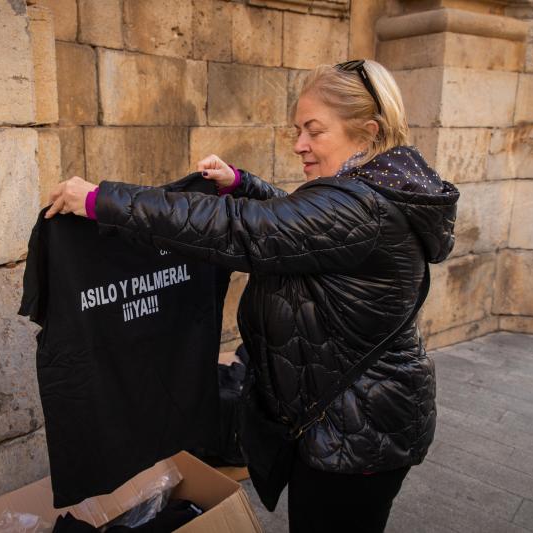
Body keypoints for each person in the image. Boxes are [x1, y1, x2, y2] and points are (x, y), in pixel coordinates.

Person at [45, 59, 459, 532]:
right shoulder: (372, 193)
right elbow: (303, 222)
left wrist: (104, 201)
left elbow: (244, 230)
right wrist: (243, 185)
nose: (300, 144)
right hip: (356, 417)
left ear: (366, 132)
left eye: (314, 131)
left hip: (359, 430)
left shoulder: (360, 207)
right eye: (297, 130)